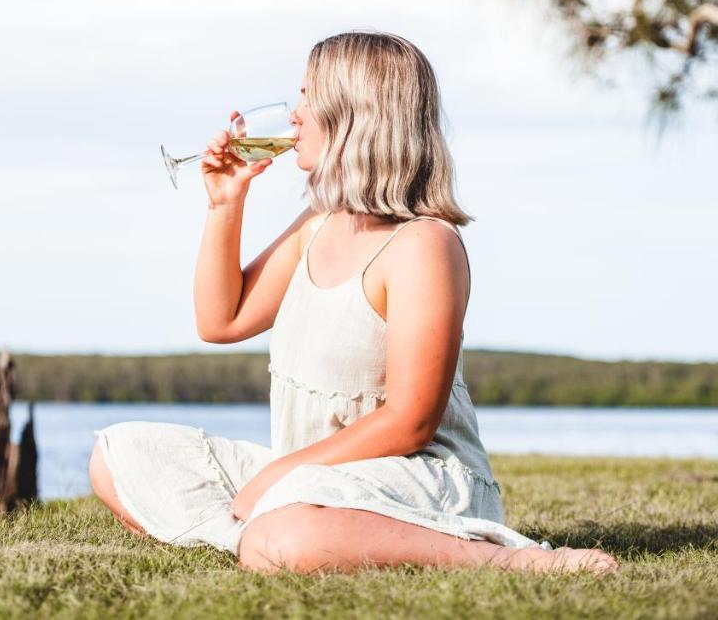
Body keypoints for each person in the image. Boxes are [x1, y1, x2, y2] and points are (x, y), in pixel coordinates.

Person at [90, 31, 619, 575]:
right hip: (317, 473)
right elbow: (219, 321)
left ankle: (502, 559)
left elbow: (411, 422)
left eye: (307, 96)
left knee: (286, 530)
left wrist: (277, 479)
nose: (293, 115)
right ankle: (280, 535)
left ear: (356, 114)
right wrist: (226, 203)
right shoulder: (318, 225)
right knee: (119, 456)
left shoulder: (423, 245)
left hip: (415, 477)